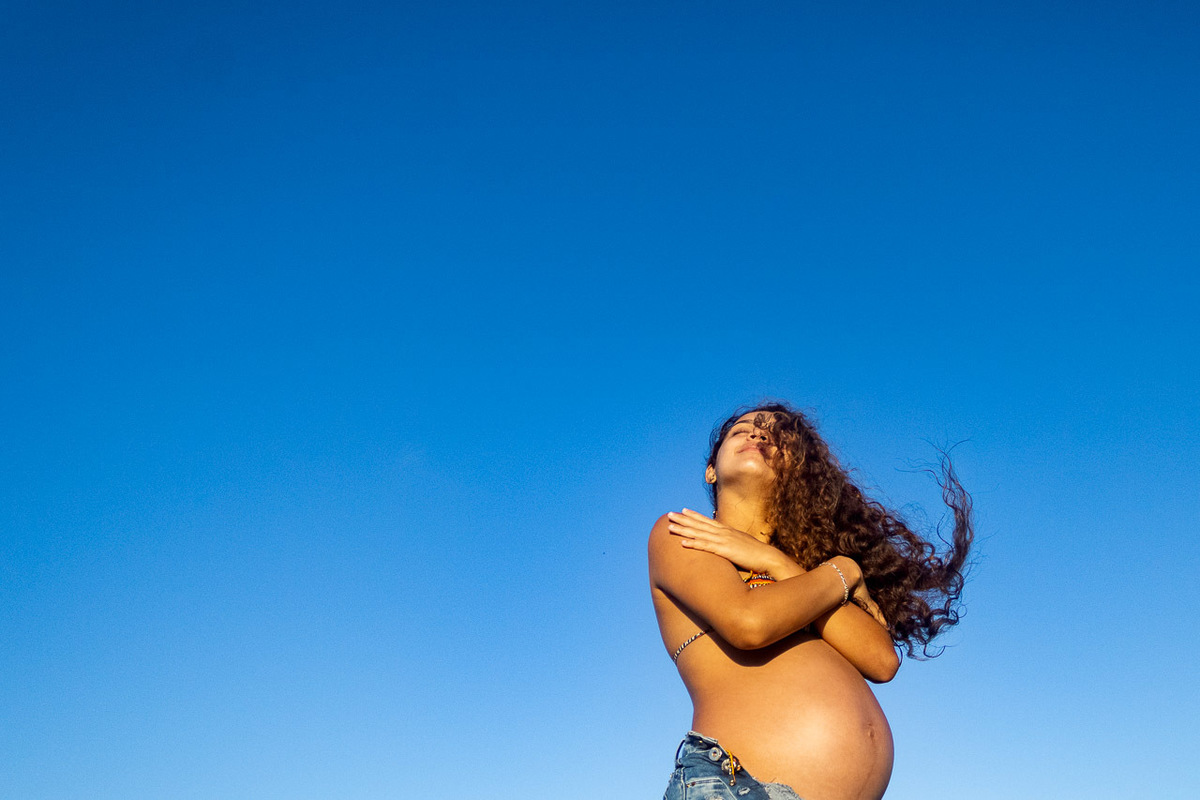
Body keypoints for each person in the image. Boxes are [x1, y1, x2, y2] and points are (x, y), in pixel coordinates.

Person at [649, 402, 973, 800]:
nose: (757, 435)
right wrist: (843, 572)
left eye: (773, 435)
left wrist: (778, 561)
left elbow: (882, 660)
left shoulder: (807, 571)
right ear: (710, 470)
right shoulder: (684, 533)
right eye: (741, 430)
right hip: (736, 786)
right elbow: (749, 624)